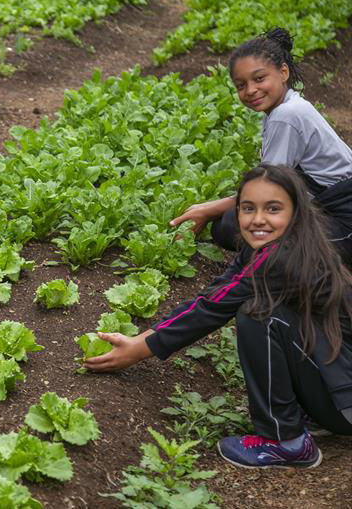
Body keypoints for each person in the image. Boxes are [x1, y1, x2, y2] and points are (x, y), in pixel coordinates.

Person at [88, 165, 352, 469]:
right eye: (248, 208)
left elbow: (211, 310)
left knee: (258, 315)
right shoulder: (277, 246)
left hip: (343, 402)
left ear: (296, 213)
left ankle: (286, 441)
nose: (258, 219)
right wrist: (148, 337)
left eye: (273, 208)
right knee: (266, 311)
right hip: (338, 384)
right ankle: (301, 411)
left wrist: (140, 348)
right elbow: (217, 292)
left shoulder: (281, 259)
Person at [171, 28, 352, 263]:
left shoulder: (286, 115)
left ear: (283, 72)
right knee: (233, 222)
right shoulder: (285, 107)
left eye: (259, 79)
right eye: (241, 85)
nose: (251, 90)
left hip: (345, 218)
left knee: (235, 227)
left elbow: (264, 194)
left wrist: (206, 210)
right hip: (326, 208)